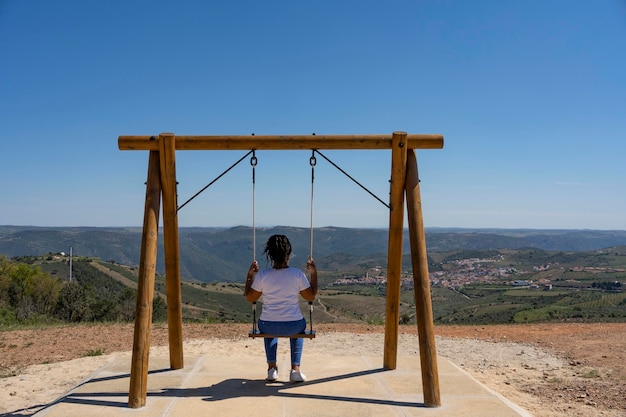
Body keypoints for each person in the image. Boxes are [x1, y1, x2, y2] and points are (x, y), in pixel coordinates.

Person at [244, 234, 318, 383]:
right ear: (288, 254)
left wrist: (250, 275)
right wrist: (314, 274)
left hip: (268, 325)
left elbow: (250, 297)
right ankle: (295, 370)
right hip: (293, 326)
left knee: (268, 325)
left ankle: (272, 369)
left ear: (270, 254)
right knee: (299, 328)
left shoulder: (263, 275)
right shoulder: (297, 274)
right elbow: (310, 296)